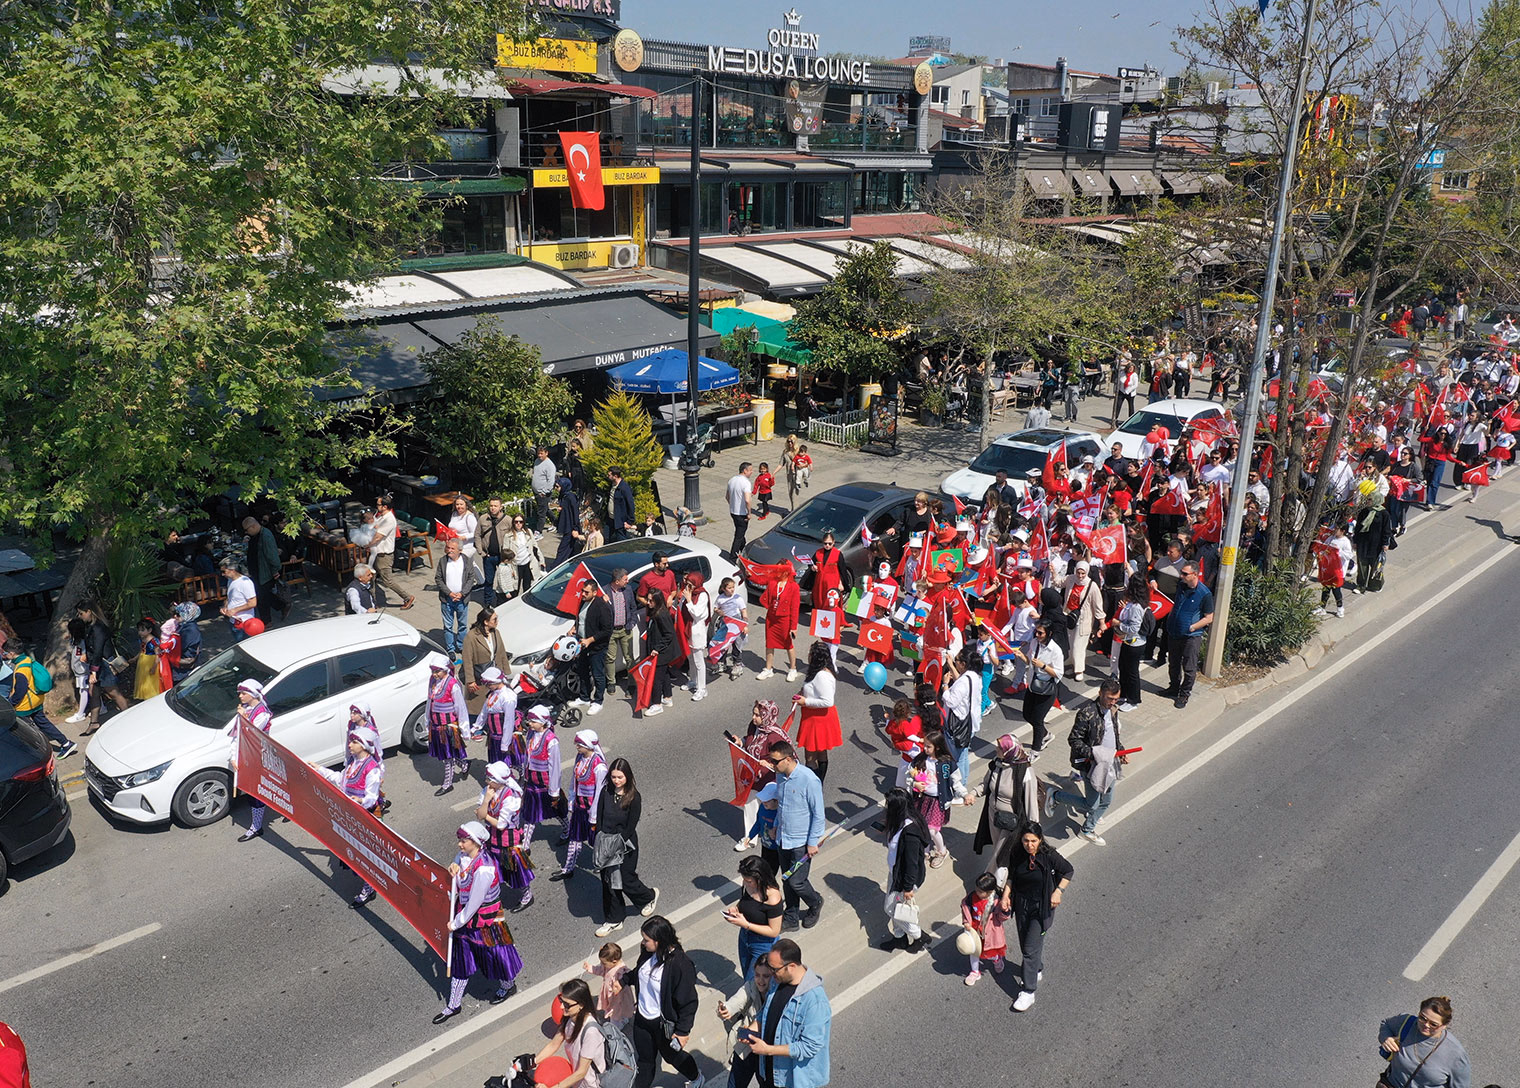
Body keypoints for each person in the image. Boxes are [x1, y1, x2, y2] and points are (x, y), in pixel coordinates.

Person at [434, 822, 522, 1023]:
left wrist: (456, 923)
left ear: (475, 842)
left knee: (496, 956)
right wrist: (453, 866)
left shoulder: (485, 869)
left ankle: (508, 985)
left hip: (487, 920)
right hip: (466, 918)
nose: (460, 844)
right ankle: (453, 1005)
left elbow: (474, 902)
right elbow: (458, 867)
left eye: (464, 841)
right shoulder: (465, 858)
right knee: (460, 960)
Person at [618, 916, 703, 1088]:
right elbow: (640, 973)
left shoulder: (680, 964)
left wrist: (682, 1032)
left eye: (646, 939)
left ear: (659, 941)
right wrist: (624, 980)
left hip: (662, 1024)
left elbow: (689, 1001)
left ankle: (696, 1077)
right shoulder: (648, 952)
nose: (643, 943)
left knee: (672, 1056)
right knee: (645, 1061)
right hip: (642, 1019)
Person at [997, 821, 1073, 1011]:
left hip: (1041, 907)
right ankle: (1037, 968)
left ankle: (1028, 991)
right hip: (1022, 904)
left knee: (1030, 948)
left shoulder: (1049, 856)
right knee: (1025, 944)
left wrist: (1058, 892)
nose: (1029, 845)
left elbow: (1068, 870)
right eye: (1025, 840)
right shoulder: (1017, 854)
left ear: (1040, 840)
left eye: (1033, 841)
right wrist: (1006, 896)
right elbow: (1012, 877)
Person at [1044, 680, 1128, 845]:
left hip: (1110, 762)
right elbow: (1074, 740)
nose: (1112, 702)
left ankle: (1088, 827)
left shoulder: (1114, 710)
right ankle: (1056, 796)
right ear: (1100, 694)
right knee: (1092, 804)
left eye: (1116, 699)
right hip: (1092, 765)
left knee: (1107, 800)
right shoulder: (1086, 713)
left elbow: (1114, 735)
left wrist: (1121, 751)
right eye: (1110, 698)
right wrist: (1095, 754)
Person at [315, 717, 385, 907]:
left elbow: (372, 796)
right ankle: (368, 884)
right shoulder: (353, 763)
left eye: (354, 742)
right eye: (351, 741)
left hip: (365, 816)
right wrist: (319, 769)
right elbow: (341, 779)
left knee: (364, 853)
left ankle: (368, 888)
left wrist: (361, 800)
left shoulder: (372, 769)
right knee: (354, 850)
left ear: (364, 745)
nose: (350, 745)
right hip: (350, 814)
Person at [745, 939, 831, 1088]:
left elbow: (809, 1046)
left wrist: (769, 1050)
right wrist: (753, 1028)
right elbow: (766, 1012)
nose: (771, 973)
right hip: (769, 1072)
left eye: (774, 969)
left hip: (792, 1080)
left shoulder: (814, 1001)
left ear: (791, 966)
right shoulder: (777, 982)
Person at [594, 758, 661, 937]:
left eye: (620, 777)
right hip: (606, 843)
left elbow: (631, 826)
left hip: (625, 844)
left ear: (628, 777)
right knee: (608, 882)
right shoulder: (606, 792)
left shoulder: (633, 797)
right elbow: (599, 818)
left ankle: (648, 897)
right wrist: (600, 840)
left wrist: (616, 844)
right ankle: (614, 918)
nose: (616, 780)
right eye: (614, 777)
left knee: (625, 878)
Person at [767, 741, 825, 932]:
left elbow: (818, 814)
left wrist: (812, 842)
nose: (773, 765)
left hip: (801, 842)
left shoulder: (809, 779)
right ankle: (791, 917)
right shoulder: (781, 777)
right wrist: (776, 826)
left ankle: (815, 902)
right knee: (786, 880)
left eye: (775, 761)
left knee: (797, 881)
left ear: (789, 759)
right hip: (783, 838)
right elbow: (783, 806)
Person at [970, 733, 1040, 874]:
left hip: (1011, 821)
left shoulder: (1025, 771)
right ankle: (1006, 879)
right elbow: (986, 783)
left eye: (999, 748)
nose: (996, 750)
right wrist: (972, 794)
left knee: (999, 854)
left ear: (1009, 751)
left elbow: (1031, 803)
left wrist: (1034, 830)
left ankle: (988, 884)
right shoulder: (997, 763)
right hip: (993, 816)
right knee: (998, 849)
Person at [728, 700, 790, 851]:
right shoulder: (754, 726)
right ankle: (749, 838)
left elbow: (786, 761)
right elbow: (749, 740)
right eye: (753, 713)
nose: (754, 717)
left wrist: (769, 765)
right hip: (753, 775)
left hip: (769, 779)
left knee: (769, 809)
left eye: (757, 715)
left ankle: (775, 833)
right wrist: (740, 742)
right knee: (749, 805)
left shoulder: (775, 737)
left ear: (767, 716)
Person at [877, 786, 931, 953]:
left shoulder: (910, 833)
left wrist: (907, 888)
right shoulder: (904, 820)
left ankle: (918, 936)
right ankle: (899, 938)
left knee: (891, 909)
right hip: (896, 872)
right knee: (896, 909)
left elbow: (911, 863)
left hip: (904, 879)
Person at [476, 760, 535, 912]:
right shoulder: (487, 792)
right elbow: (480, 813)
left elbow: (501, 824)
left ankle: (527, 895)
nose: (486, 781)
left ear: (498, 781)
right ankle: (492, 898)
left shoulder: (510, 797)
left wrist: (485, 815)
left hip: (508, 840)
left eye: (489, 779)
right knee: (491, 869)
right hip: (491, 838)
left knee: (514, 871)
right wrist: (486, 803)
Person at [530, 979, 611, 1088]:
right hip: (576, 1081)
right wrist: (531, 1063)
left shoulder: (591, 1032)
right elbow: (554, 1044)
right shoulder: (569, 1019)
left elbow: (581, 1072)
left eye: (567, 1004)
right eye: (561, 1001)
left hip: (590, 1084)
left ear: (581, 1005)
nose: (561, 1007)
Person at [1377, 996, 1470, 1088]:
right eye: (1422, 1018)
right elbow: (1386, 1024)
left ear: (1445, 1025)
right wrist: (1386, 1038)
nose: (1426, 1025)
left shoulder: (1456, 1054)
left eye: (1433, 1024)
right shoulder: (1407, 1023)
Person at [227, 678, 274, 842]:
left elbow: (250, 732)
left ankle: (256, 826)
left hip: (258, 757)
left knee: (257, 793)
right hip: (246, 756)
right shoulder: (246, 709)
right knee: (250, 791)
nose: (240, 696)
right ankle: (257, 824)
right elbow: (236, 736)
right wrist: (234, 756)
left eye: (243, 693)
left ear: (252, 694)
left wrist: (243, 716)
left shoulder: (262, 714)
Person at [718, 956, 775, 1088]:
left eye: (766, 976)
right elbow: (737, 1000)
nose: (760, 980)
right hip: (746, 1049)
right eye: (757, 975)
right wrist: (726, 1009)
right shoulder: (751, 986)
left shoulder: (778, 995)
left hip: (767, 1051)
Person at [724, 855, 784, 977]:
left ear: (760, 879)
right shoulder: (749, 887)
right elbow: (745, 903)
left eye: (749, 881)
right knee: (747, 974)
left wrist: (746, 924)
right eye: (744, 880)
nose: (746, 883)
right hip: (745, 937)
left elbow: (774, 931)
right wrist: (735, 909)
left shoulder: (772, 897)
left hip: (763, 943)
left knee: (754, 980)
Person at [1164, 561, 1212, 709]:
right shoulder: (1181, 586)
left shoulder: (1204, 594)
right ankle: (1173, 688)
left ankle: (1184, 694)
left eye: (1185, 574)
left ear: (1195, 575)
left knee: (1189, 668)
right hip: (1174, 632)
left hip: (1191, 637)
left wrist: (1193, 627)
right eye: (1181, 573)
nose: (1181, 576)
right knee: (1173, 663)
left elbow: (1209, 617)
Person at [791, 641, 841, 784]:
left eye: (810, 653)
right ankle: (819, 783)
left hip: (817, 719)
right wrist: (803, 692)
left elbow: (827, 701)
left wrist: (805, 702)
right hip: (816, 717)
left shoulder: (822, 676)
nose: (808, 655)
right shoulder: (820, 672)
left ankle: (813, 785)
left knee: (811, 757)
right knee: (821, 752)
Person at [425, 654, 471, 796]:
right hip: (436, 726)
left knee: (447, 758)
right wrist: (428, 720)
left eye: (437, 671)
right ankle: (464, 764)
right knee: (447, 754)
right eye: (433, 671)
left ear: (445, 670)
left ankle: (447, 784)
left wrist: (464, 729)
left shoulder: (453, 685)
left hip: (448, 727)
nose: (435, 674)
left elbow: (460, 708)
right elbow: (429, 702)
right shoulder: (432, 681)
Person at [960, 872, 1011, 985]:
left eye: (980, 891)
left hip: (990, 933)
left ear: (989, 892)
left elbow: (1002, 918)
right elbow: (965, 909)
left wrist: (1005, 911)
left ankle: (997, 960)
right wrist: (966, 922)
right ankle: (974, 971)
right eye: (976, 889)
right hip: (974, 931)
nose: (977, 892)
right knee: (973, 952)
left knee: (990, 953)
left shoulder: (996, 902)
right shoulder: (971, 898)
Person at [520, 705, 561, 848]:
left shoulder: (551, 740)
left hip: (545, 783)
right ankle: (525, 844)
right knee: (530, 813)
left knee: (555, 810)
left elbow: (555, 767)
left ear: (542, 722)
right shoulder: (531, 734)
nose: (529, 724)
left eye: (533, 721)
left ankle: (567, 828)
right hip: (531, 780)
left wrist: (554, 791)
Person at [368, 494, 416, 610]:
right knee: (371, 578)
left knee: (387, 581)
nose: (377, 506)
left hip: (384, 555)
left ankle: (407, 597)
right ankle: (372, 602)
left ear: (385, 506)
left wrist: (367, 545)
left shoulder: (389, 519)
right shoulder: (381, 516)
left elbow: (378, 536)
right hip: (376, 553)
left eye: (379, 504)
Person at [572, 579, 612, 714]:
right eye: (582, 591)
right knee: (582, 671)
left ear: (595, 592)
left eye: (586, 592)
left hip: (597, 647)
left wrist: (590, 640)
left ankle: (598, 701)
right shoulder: (583, 602)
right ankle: (584, 697)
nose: (583, 594)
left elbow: (607, 630)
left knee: (597, 674)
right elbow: (580, 619)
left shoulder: (601, 607)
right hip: (582, 644)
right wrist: (574, 628)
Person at [435, 537, 478, 661]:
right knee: (448, 626)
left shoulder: (466, 561)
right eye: (448, 548)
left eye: (452, 548)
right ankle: (450, 649)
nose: (449, 550)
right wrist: (448, 593)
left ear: (460, 550)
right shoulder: (443, 561)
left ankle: (460, 645)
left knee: (462, 625)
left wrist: (462, 593)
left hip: (462, 599)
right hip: (447, 599)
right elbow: (438, 578)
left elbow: (471, 578)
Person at [462, 606, 511, 715]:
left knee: (494, 705)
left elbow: (501, 652)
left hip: (495, 676)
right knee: (478, 707)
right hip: (480, 678)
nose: (497, 622)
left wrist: (505, 673)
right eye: (494, 619)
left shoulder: (495, 633)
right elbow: (467, 659)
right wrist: (470, 680)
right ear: (486, 622)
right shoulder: (471, 637)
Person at [757, 567, 801, 681]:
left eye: (783, 570)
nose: (780, 572)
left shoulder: (794, 586)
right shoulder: (773, 582)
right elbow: (760, 579)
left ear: (788, 571)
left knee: (788, 645)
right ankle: (768, 669)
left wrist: (793, 627)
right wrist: (749, 574)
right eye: (778, 570)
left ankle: (793, 669)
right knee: (770, 644)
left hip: (784, 619)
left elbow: (795, 608)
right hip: (771, 618)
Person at [642, 590, 677, 717]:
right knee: (665, 674)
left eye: (651, 600)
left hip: (662, 652)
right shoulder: (655, 612)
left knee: (656, 678)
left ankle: (657, 704)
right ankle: (667, 697)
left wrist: (657, 648)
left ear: (657, 600)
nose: (648, 602)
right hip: (661, 650)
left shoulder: (661, 614)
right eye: (648, 599)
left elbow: (669, 634)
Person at [243, 516, 282, 628]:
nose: (246, 532)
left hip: (264, 572)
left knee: (261, 597)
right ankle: (282, 605)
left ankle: (267, 621)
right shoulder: (256, 535)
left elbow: (272, 555)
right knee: (263, 594)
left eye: (247, 529)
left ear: (253, 526)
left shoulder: (266, 536)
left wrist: (275, 569)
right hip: (257, 570)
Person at [603, 569, 639, 691]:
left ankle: (631, 683)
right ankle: (611, 682)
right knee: (610, 658)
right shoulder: (604, 591)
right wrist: (601, 601)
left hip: (625, 629)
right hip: (611, 632)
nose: (628, 581)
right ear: (617, 581)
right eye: (625, 579)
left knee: (629, 657)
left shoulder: (627, 590)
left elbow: (633, 608)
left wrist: (632, 623)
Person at [584, 942, 635, 1027]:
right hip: (611, 995)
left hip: (618, 998)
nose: (602, 965)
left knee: (615, 1013)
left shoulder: (621, 971)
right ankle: (622, 1019)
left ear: (614, 961)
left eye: (604, 963)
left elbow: (627, 980)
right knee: (618, 1012)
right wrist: (590, 968)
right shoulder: (609, 966)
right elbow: (600, 970)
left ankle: (616, 1027)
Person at [680, 572, 711, 702]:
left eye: (691, 585)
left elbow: (697, 614)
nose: (689, 587)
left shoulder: (702, 595)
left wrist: (688, 600)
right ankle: (693, 680)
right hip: (687, 630)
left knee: (699, 661)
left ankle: (702, 688)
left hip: (696, 631)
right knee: (690, 658)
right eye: (688, 584)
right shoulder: (689, 593)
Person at [475, 497, 512, 606]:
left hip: (502, 557)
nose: (493, 508)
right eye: (491, 505)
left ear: (501, 507)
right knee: (489, 581)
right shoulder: (483, 519)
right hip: (488, 556)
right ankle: (487, 603)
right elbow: (477, 535)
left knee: (504, 580)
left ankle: (502, 602)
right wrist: (480, 551)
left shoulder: (507, 520)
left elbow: (513, 535)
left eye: (495, 506)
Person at [220, 559, 258, 640]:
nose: (222, 574)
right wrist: (225, 606)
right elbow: (229, 597)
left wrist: (234, 610)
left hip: (244, 622)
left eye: (224, 571)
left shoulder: (245, 582)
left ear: (232, 570)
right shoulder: (230, 580)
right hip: (233, 620)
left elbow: (252, 603)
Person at [727, 462, 755, 559]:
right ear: (745, 470)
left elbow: (727, 496)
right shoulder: (746, 483)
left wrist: (733, 505)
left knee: (740, 531)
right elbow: (747, 500)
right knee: (739, 536)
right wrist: (749, 513)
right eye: (750, 470)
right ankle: (733, 556)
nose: (752, 472)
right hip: (742, 513)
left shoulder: (732, 480)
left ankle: (744, 550)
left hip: (733, 512)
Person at [555, 478, 585, 566]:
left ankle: (554, 568)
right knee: (569, 549)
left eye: (557, 486)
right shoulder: (563, 496)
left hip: (570, 527)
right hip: (566, 525)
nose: (556, 489)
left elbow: (575, 513)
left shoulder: (570, 497)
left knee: (563, 549)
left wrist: (575, 528)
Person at [531, 447, 558, 533]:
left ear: (546, 453)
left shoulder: (550, 465)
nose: (539, 455)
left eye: (541, 453)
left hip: (543, 493)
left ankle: (539, 531)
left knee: (541, 513)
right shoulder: (537, 461)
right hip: (536, 491)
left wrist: (545, 492)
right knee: (545, 509)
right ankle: (556, 522)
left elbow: (551, 481)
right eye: (538, 453)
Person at [448, 495, 479, 564]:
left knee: (464, 567)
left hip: (465, 547)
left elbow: (476, 532)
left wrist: (464, 537)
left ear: (466, 505)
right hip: (454, 545)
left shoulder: (469, 517)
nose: (459, 506)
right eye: (457, 504)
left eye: (461, 504)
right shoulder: (454, 514)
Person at [609, 468, 637, 542]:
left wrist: (629, 521)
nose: (608, 476)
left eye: (609, 475)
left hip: (620, 521)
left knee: (621, 540)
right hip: (610, 518)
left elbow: (631, 504)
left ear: (615, 476)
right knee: (607, 538)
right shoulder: (612, 485)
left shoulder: (624, 488)